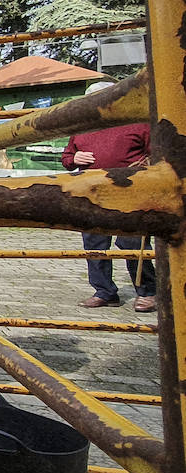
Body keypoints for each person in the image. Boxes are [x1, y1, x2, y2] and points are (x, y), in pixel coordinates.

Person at [61, 81, 157, 312]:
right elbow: (66, 157)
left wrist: (146, 166)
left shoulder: (138, 123)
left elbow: (158, 155)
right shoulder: (83, 126)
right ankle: (104, 292)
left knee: (131, 242)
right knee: (95, 243)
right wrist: (74, 159)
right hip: (92, 192)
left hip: (129, 192)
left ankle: (147, 291)